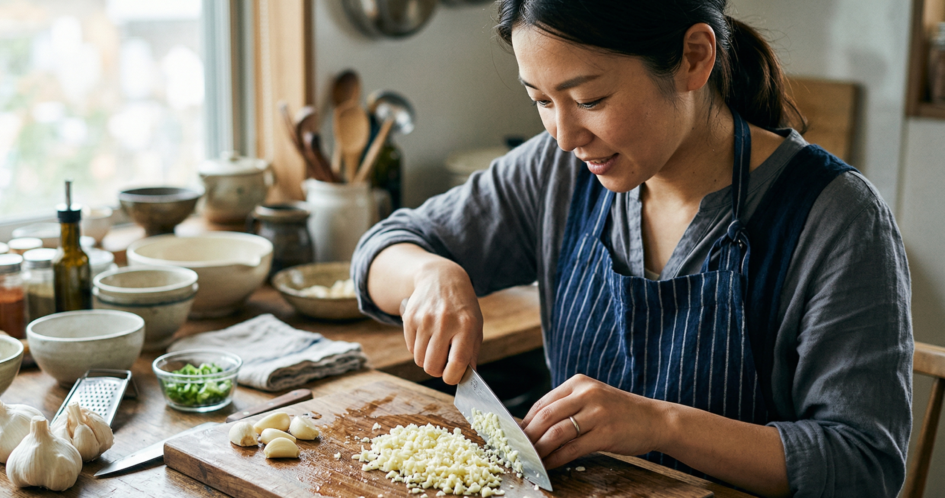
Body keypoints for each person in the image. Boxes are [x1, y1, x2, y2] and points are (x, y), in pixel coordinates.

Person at [350, 1, 913, 496]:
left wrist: (659, 424)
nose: (565, 136)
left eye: (590, 99)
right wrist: (428, 273)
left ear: (694, 57)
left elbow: (862, 465)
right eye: (542, 101)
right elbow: (380, 250)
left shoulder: (836, 218)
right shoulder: (558, 173)